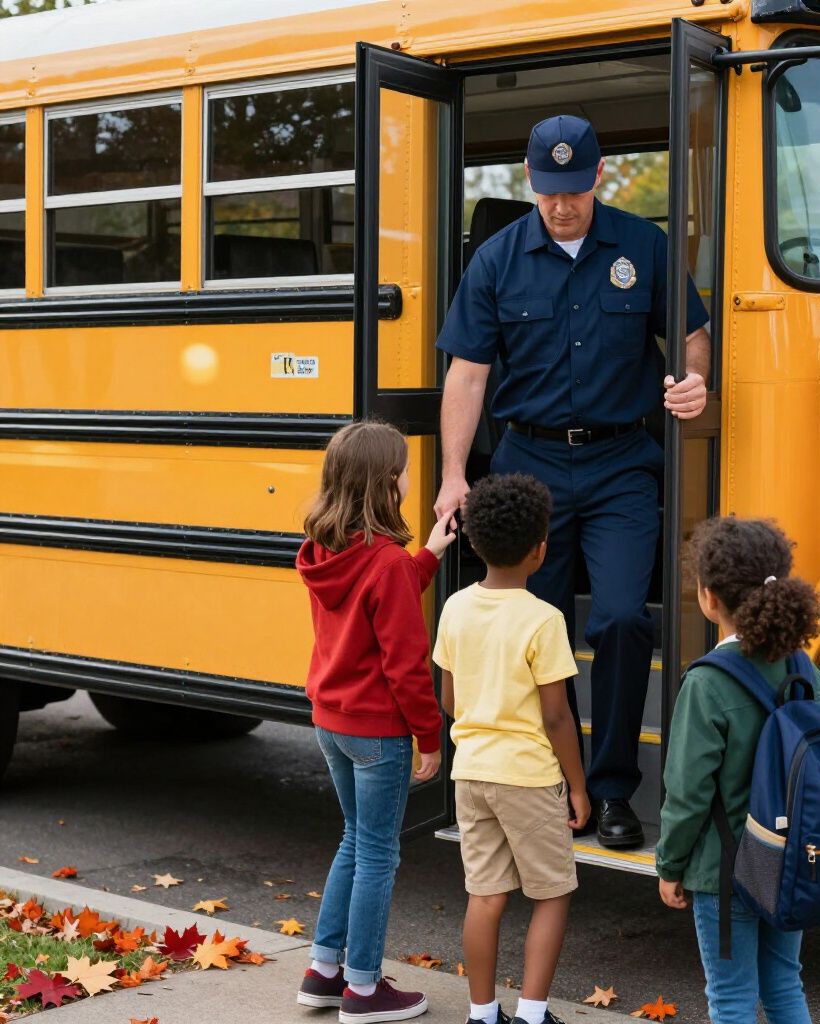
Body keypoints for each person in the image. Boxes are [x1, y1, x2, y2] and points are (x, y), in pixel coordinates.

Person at [434, 113, 712, 848]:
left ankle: (616, 792)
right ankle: (554, 785)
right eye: (549, 191)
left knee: (622, 618)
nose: (562, 205)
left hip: (622, 463)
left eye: (575, 190)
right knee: (533, 626)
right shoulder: (496, 260)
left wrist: (695, 382)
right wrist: (455, 474)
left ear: (597, 177)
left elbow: (690, 336)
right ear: (532, 182)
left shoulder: (642, 248)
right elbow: (467, 373)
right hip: (531, 468)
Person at [295, 420, 457, 1024]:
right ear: (390, 484)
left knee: (353, 840)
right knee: (379, 855)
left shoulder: (324, 550)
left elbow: (375, 596)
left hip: (330, 722)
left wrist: (428, 556)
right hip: (376, 734)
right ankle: (364, 989)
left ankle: (323, 971)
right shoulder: (383, 563)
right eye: (408, 469)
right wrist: (429, 736)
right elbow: (406, 663)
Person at [656, 517, 820, 1024]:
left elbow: (686, 793)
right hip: (791, 859)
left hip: (724, 869)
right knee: (784, 986)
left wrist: (669, 865)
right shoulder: (804, 669)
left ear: (709, 598)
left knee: (730, 999)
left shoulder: (708, 683)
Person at [434, 473, 589, 1024]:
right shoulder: (544, 620)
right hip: (527, 776)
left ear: (473, 542)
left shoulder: (454, 607)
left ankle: (481, 1015)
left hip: (470, 774)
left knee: (486, 895)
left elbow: (450, 697)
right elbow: (556, 715)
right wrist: (577, 786)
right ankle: (531, 1014)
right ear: (540, 549)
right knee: (550, 893)